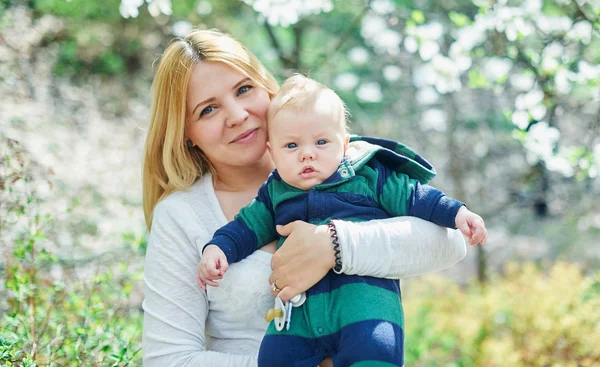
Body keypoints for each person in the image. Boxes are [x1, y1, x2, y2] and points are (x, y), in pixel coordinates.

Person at [141, 29, 469, 367]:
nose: (237, 115)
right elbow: (168, 359)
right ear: (187, 134)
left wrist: (335, 246)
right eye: (208, 110)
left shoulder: (340, 163)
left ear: (266, 87)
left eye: (244, 89)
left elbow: (451, 242)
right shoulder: (183, 215)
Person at [198, 74, 487, 366]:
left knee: (375, 353)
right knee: (272, 357)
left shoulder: (368, 175)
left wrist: (458, 213)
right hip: (298, 320)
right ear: (272, 152)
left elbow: (417, 197)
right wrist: (218, 248)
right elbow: (246, 227)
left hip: (365, 311)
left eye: (321, 142)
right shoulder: (274, 192)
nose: (307, 154)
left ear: (344, 143)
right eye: (291, 146)